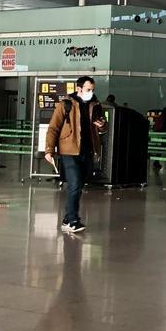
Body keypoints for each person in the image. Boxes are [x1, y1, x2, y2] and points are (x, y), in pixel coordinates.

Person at [44, 76, 106, 233]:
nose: (91, 92)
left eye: (92, 90)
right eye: (88, 90)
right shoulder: (66, 104)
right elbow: (53, 128)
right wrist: (49, 150)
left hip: (87, 150)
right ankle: (73, 221)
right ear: (79, 89)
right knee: (75, 183)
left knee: (78, 185)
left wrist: (102, 126)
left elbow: (102, 127)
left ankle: (67, 218)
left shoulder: (96, 105)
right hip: (68, 150)